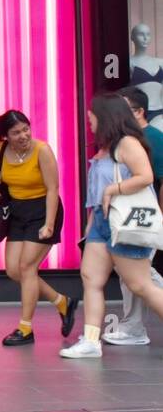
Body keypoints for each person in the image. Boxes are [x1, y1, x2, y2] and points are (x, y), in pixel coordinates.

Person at [62, 93, 163, 359]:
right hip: (101, 221)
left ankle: (92, 341)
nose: (89, 120)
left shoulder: (127, 143)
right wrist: (90, 226)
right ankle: (92, 341)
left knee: (140, 284)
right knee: (91, 278)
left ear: (105, 116)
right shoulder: (105, 147)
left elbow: (146, 176)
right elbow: (95, 193)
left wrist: (113, 189)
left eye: (92, 115)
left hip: (124, 219)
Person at [0, 109, 76, 346]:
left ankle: (25, 328)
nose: (23, 135)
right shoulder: (2, 150)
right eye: (16, 132)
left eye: (26, 129)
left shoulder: (42, 150)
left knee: (27, 267)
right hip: (17, 212)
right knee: (14, 271)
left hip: (43, 211)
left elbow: (53, 189)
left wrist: (48, 224)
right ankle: (62, 302)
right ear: (5, 136)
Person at [106, 87, 163, 345]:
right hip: (136, 216)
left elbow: (156, 180)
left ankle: (133, 327)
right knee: (137, 275)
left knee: (141, 277)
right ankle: (133, 326)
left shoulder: (149, 138)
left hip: (144, 216)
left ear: (139, 112)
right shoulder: (132, 138)